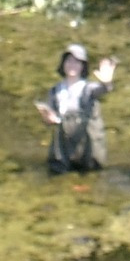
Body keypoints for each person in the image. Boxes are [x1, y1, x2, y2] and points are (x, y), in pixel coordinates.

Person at [38, 44, 115, 173]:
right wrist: (48, 118)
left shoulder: (89, 88)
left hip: (86, 141)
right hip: (63, 141)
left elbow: (103, 90)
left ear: (82, 66)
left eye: (77, 62)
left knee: (91, 172)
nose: (72, 65)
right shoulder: (55, 90)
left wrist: (107, 82)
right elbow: (49, 117)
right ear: (63, 64)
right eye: (69, 61)